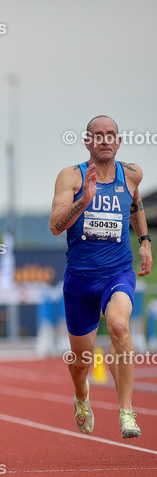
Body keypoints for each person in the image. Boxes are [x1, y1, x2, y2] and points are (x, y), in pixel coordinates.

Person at [49, 115, 150, 439]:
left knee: (119, 326)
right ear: (88, 142)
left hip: (117, 272)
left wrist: (145, 242)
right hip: (80, 280)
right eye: (98, 135)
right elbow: (55, 226)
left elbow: (135, 205)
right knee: (81, 360)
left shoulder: (132, 174)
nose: (105, 140)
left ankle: (126, 411)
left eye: (111, 135)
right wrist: (84, 201)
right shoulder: (71, 177)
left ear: (118, 141)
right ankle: (81, 396)